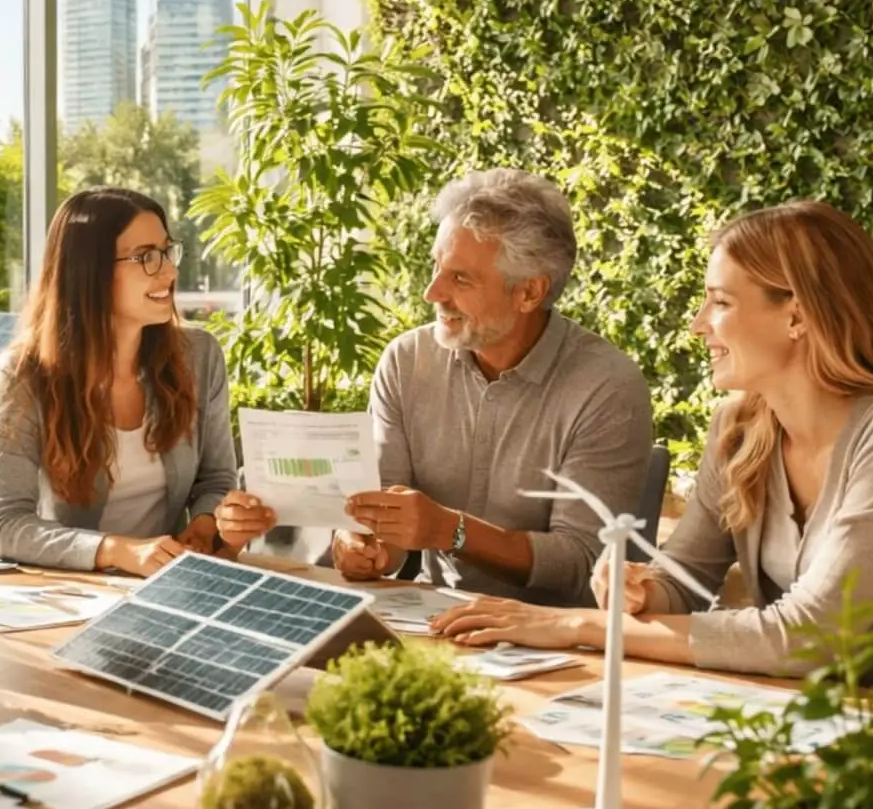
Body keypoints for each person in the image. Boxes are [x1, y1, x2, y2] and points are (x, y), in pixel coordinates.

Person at [429, 200, 873, 718]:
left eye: (721, 302)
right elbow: (683, 580)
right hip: (850, 722)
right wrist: (642, 590)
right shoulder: (741, 427)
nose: (700, 324)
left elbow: (811, 634)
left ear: (798, 315)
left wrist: (575, 627)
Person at [221, 169, 653, 606]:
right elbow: (383, 524)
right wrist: (365, 549)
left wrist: (450, 530)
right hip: (431, 616)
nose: (432, 293)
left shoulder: (607, 388)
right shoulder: (407, 362)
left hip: (560, 637)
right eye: (436, 266)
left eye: (461, 279)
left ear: (529, 292)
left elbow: (582, 565)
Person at [0, 187, 273, 576]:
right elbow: (6, 525)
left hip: (170, 586)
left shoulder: (199, 356)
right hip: (72, 590)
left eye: (167, 252)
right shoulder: (24, 375)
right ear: (90, 271)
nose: (169, 271)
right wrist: (116, 551)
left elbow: (215, 478)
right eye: (146, 257)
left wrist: (206, 525)